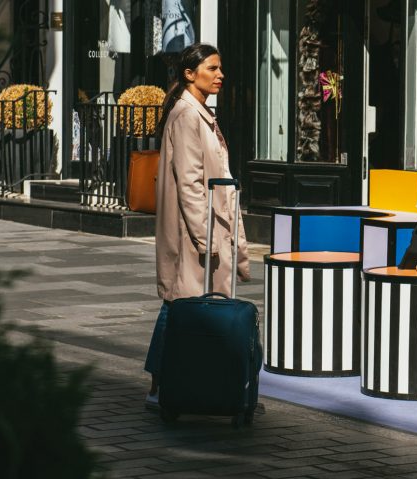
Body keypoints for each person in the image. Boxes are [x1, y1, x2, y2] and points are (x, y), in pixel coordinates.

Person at [143, 43, 250, 408]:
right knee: (180, 303)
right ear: (190, 74)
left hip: (200, 227)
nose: (220, 75)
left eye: (221, 68)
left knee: (180, 304)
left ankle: (165, 383)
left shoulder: (197, 112)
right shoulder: (189, 116)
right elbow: (190, 182)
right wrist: (206, 238)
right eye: (213, 68)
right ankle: (163, 384)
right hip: (193, 231)